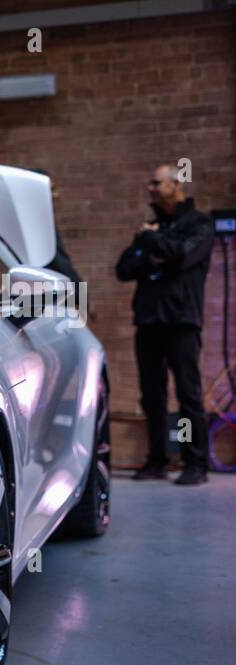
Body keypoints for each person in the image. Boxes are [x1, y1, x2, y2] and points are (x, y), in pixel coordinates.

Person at [115, 163, 214, 485]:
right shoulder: (151, 227)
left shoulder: (199, 224)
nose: (151, 189)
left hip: (182, 321)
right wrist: (153, 246)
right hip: (148, 322)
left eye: (157, 183)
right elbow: (124, 268)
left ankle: (194, 462)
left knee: (188, 394)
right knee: (152, 395)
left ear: (176, 184)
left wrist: (153, 241)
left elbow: (182, 257)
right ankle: (157, 460)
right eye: (150, 184)